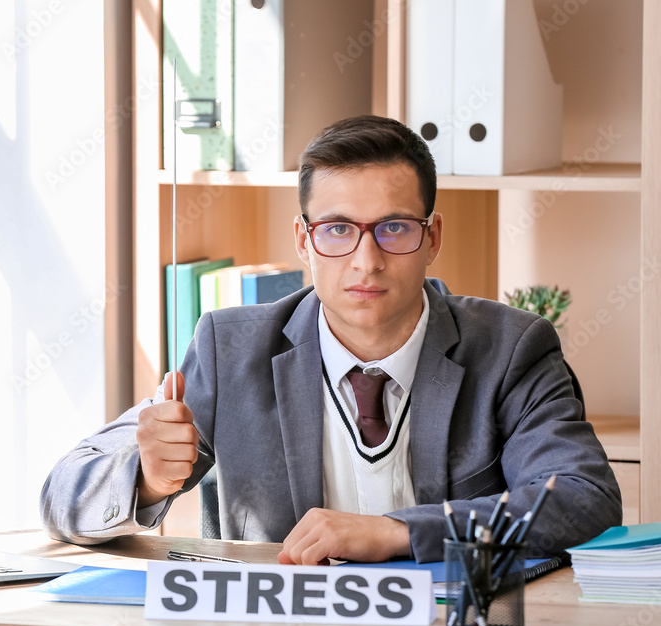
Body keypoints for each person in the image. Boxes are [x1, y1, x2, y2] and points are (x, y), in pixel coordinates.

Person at [40, 115, 622, 564]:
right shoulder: (232, 347)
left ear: (432, 237)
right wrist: (143, 478)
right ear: (303, 240)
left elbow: (583, 498)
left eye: (394, 228)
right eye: (337, 229)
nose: (366, 262)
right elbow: (61, 495)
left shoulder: (511, 347)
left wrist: (399, 531)